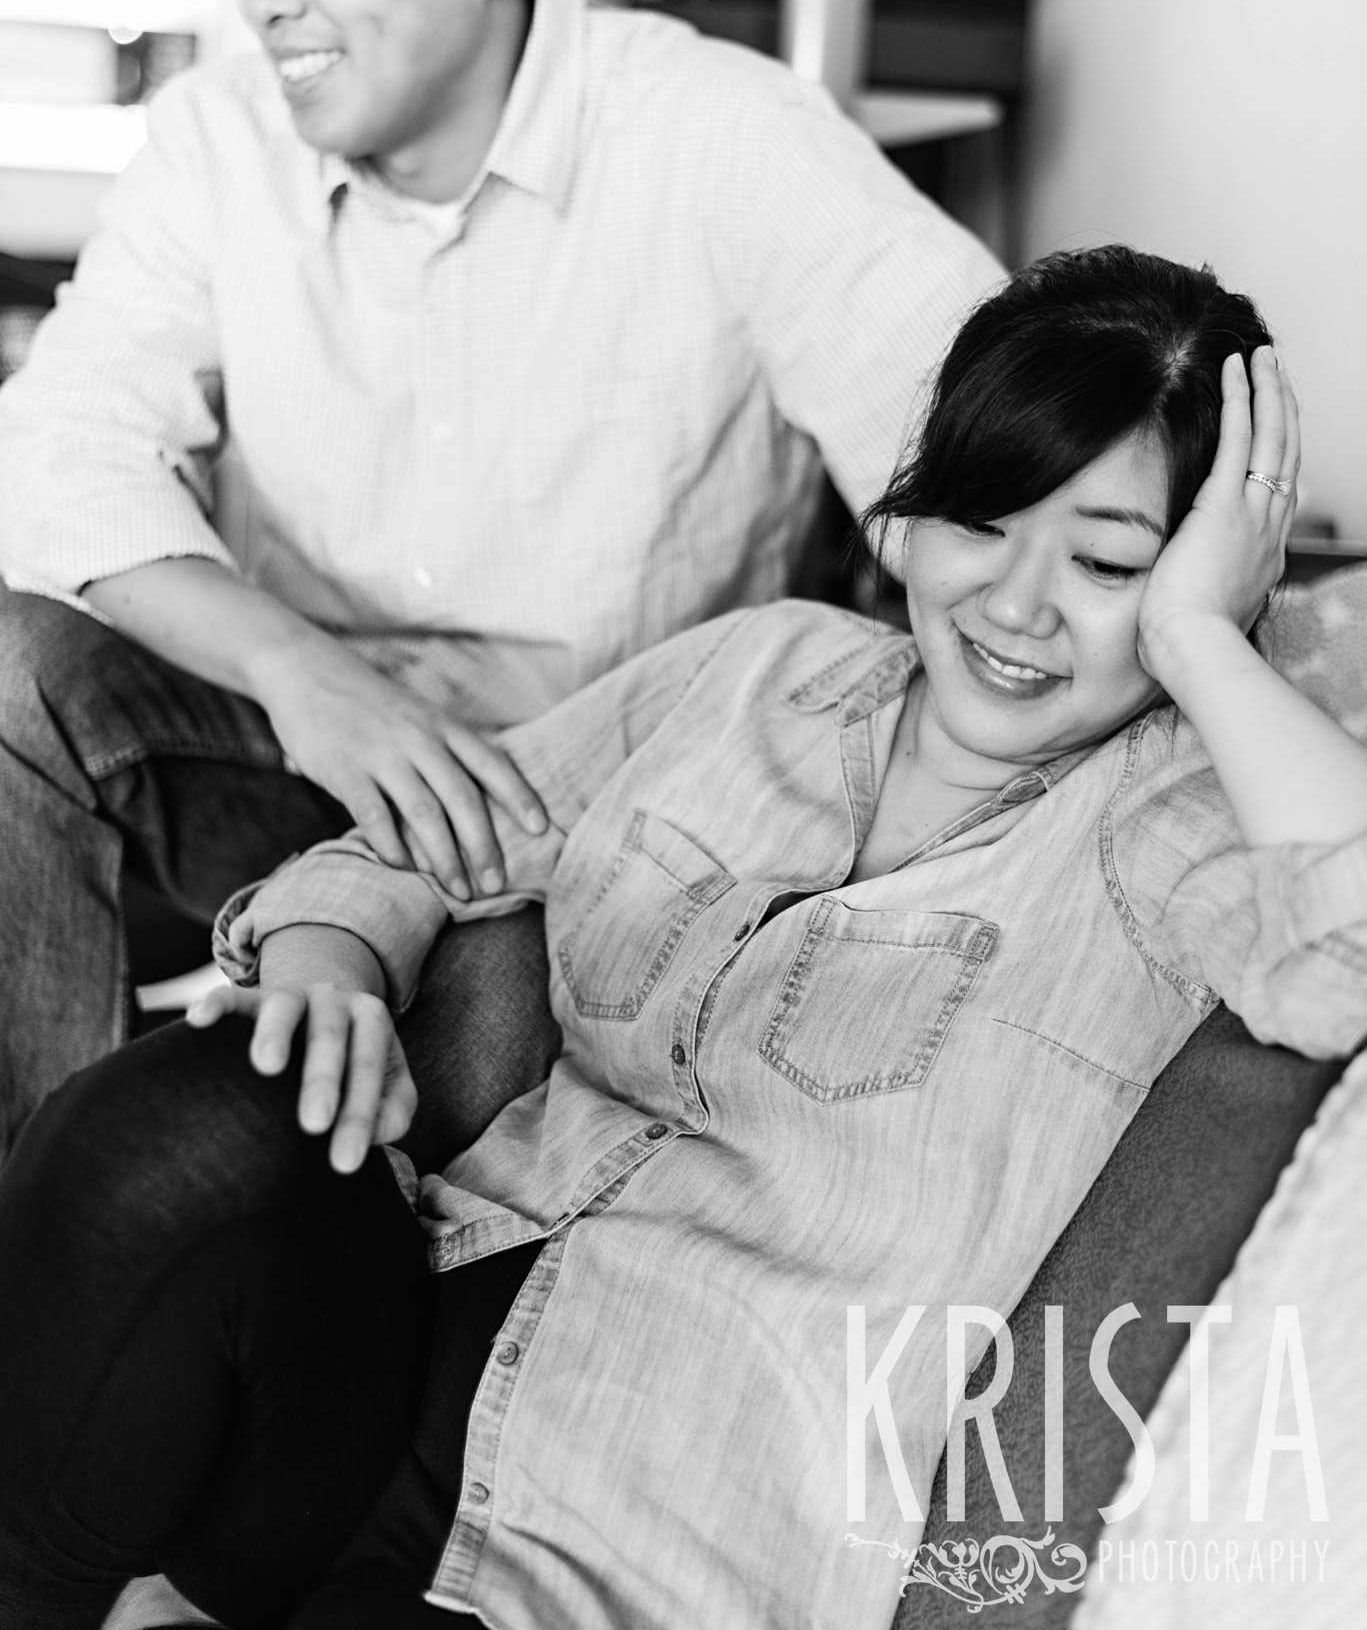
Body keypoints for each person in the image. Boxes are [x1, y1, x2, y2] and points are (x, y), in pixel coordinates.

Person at [4, 246, 1364, 1630]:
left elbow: (1353, 951)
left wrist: (1203, 639)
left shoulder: (1177, 817)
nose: (1015, 605)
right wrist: (330, 967)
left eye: (1108, 561)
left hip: (628, 1552)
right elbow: (422, 841)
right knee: (174, 1129)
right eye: (982, 520)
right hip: (383, 1362)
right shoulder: (758, 669)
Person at [0, 0, 1002, 1161]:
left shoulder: (721, 137)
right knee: (14, 665)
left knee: (433, 1087)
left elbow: (983, 431)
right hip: (297, 743)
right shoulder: (216, 142)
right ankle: (39, 1207)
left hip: (579, 817)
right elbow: (56, 453)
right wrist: (298, 675)